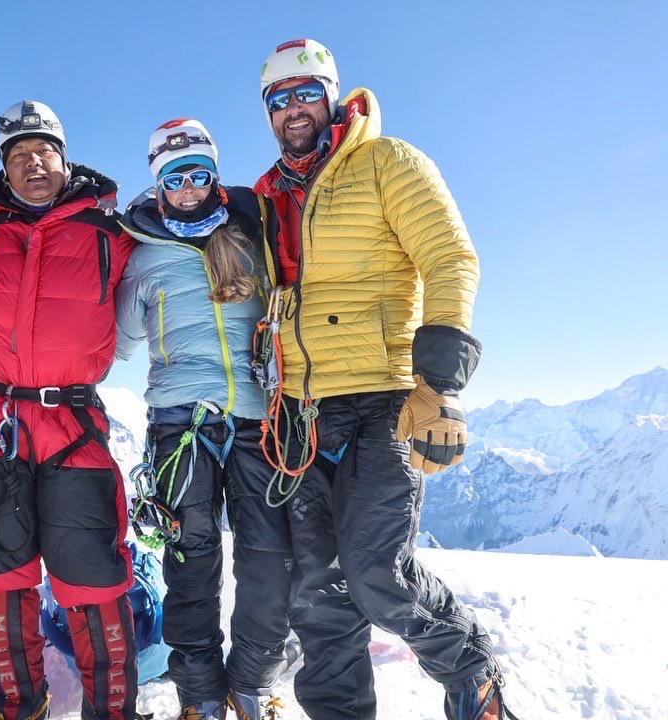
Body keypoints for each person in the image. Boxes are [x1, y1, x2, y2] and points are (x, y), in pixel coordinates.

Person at [252, 40, 514, 720]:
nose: (292, 111)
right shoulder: (269, 197)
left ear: (332, 95)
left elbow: (450, 257)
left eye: (305, 93)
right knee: (317, 594)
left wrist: (439, 384)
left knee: (377, 575)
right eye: (277, 101)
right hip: (301, 415)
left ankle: (471, 673)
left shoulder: (385, 160)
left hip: (386, 400)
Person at [0, 100, 138, 720]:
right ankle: (18, 708)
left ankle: (112, 711)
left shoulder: (115, 236)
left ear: (64, 156)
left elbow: (184, 259)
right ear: (4, 169)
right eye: (19, 155)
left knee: (94, 576)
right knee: (2, 579)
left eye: (44, 151)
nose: (34, 163)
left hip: (71, 425)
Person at [115, 119, 296, 720]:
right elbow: (116, 345)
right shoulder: (143, 258)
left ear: (214, 177)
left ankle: (252, 683)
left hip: (254, 419)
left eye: (199, 175)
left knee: (268, 557)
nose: (189, 188)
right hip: (179, 423)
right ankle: (199, 696)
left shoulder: (251, 239)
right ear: (158, 184)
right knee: (190, 562)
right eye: (175, 177)